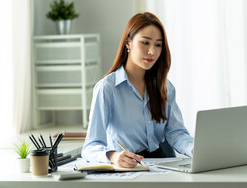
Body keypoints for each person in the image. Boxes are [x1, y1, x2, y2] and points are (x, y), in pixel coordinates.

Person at [81, 12, 194, 168]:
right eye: (145, 43)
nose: (152, 52)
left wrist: (195, 149)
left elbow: (176, 133)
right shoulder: (107, 88)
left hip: (160, 165)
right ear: (128, 43)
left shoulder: (165, 87)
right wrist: (113, 156)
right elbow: (90, 146)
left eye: (158, 44)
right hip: (126, 167)